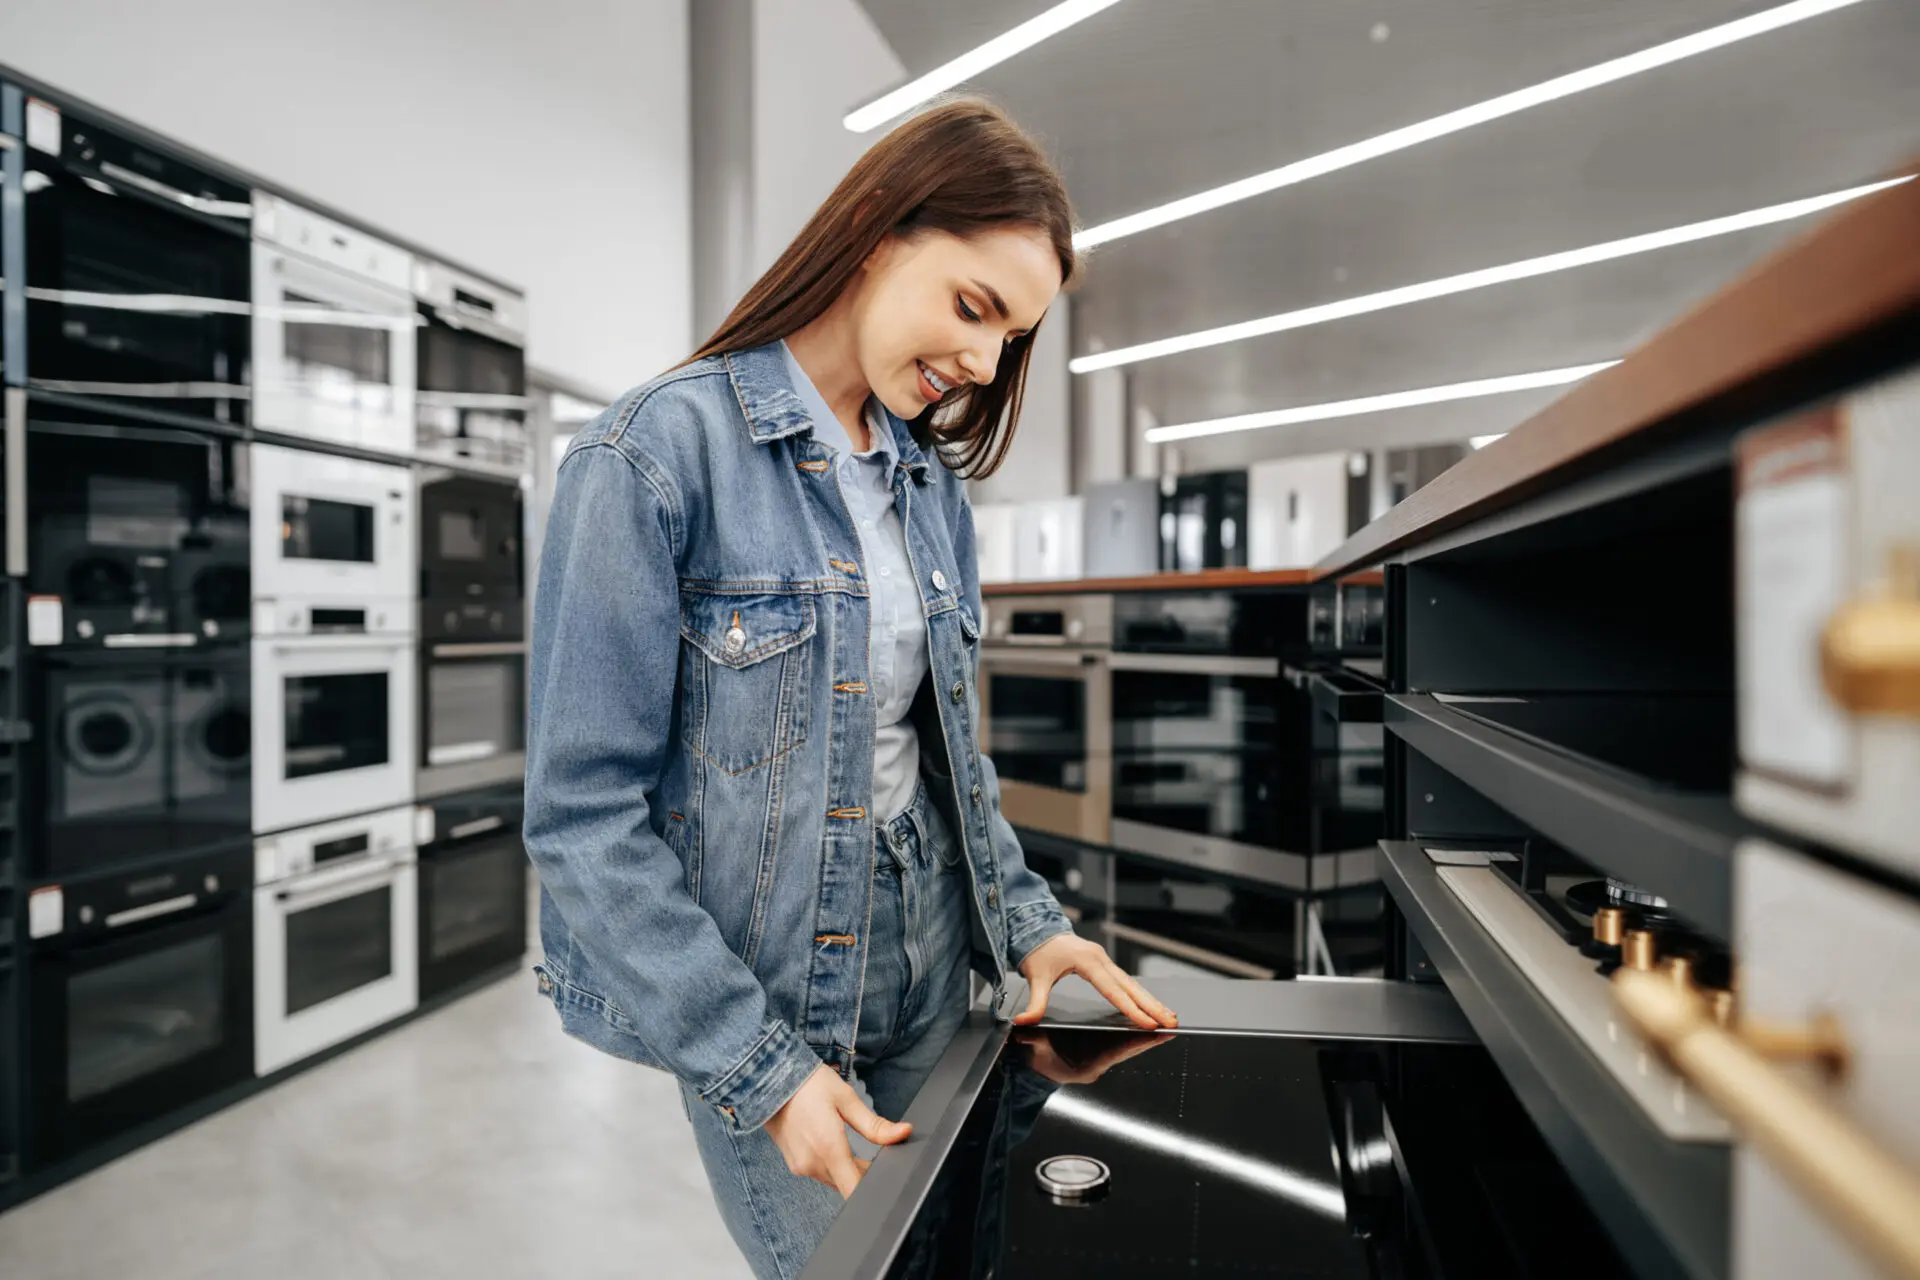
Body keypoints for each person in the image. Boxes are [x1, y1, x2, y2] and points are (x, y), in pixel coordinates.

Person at [523, 97, 1177, 1280]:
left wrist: (1033, 926)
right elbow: (581, 821)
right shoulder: (650, 455)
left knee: (960, 1258)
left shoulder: (928, 488)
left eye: (1010, 335)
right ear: (877, 233)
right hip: (768, 985)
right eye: (974, 307)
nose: (984, 361)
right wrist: (760, 1069)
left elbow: (945, 755)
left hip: (937, 944)